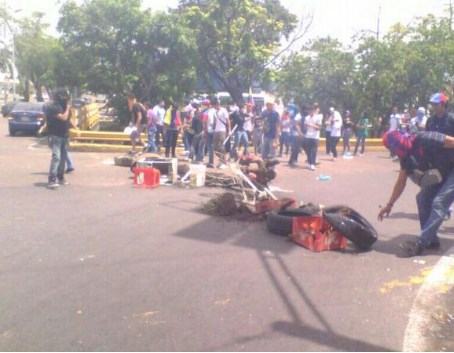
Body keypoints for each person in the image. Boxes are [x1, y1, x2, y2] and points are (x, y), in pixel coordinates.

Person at [379, 92, 454, 256]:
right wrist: (389, 205)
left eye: (392, 148)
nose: (394, 152)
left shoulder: (425, 138)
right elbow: (400, 182)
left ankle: (421, 241)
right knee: (422, 199)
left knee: (439, 202)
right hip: (443, 171)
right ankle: (431, 239)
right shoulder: (405, 155)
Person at [44, 88, 77, 189]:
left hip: (64, 135)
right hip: (55, 135)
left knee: (63, 158)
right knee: (56, 157)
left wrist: (76, 128)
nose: (65, 100)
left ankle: (60, 177)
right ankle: (52, 179)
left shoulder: (64, 105)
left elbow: (69, 119)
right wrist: (67, 108)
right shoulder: (53, 106)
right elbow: (63, 117)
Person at [304, 103, 322, 170]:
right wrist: (306, 125)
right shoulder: (307, 117)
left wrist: (311, 125)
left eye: (311, 110)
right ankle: (309, 162)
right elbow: (305, 127)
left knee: (313, 151)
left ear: (314, 111)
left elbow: (319, 128)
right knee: (308, 150)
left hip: (315, 137)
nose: (310, 112)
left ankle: (313, 164)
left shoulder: (318, 117)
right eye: (309, 111)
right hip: (308, 136)